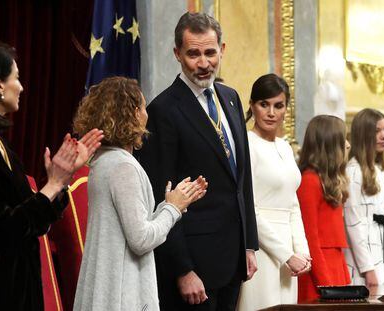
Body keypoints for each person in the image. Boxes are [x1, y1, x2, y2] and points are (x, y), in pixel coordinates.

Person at [139, 12, 258, 311]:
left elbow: (242, 181)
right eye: (193, 54)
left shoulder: (230, 98)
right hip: (195, 268)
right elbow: (159, 197)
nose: (204, 63)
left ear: (222, 50)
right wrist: (182, 270)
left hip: (233, 261)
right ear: (177, 53)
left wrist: (248, 244)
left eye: (210, 52)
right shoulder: (163, 110)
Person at [0, 44, 103, 310]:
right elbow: (5, 230)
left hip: (18, 288)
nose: (21, 87)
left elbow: (35, 222)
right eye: (16, 78)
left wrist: (60, 183)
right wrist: (53, 183)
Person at [72, 76, 208, 311]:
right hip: (123, 294)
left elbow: (129, 228)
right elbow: (141, 239)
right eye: (144, 107)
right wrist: (172, 209)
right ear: (134, 113)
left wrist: (171, 205)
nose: (147, 114)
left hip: (112, 285)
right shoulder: (124, 167)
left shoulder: (104, 160)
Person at [237, 73, 311, 311]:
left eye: (278, 106)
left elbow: (293, 205)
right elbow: (250, 208)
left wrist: (302, 252)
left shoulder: (285, 147)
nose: (271, 112)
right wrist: (286, 253)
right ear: (252, 106)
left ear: (285, 109)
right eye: (264, 104)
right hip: (260, 250)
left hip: (290, 257)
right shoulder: (247, 144)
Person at [297, 115, 351, 302]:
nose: (347, 145)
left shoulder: (328, 180)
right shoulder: (309, 181)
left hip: (335, 264)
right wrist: (327, 286)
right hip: (320, 273)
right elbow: (311, 240)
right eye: (342, 139)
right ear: (328, 145)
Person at [344, 108, 384, 287]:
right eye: (377, 131)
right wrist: (368, 269)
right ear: (363, 135)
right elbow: (353, 224)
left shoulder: (377, 170)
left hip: (379, 253)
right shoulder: (353, 173)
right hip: (362, 264)